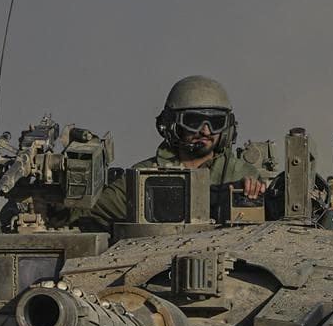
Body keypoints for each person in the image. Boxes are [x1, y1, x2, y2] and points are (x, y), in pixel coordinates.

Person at [74, 75, 265, 230]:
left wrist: (252, 197)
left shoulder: (242, 174)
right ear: (172, 124)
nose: (205, 131)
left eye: (215, 123)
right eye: (193, 122)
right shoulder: (142, 177)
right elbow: (88, 210)